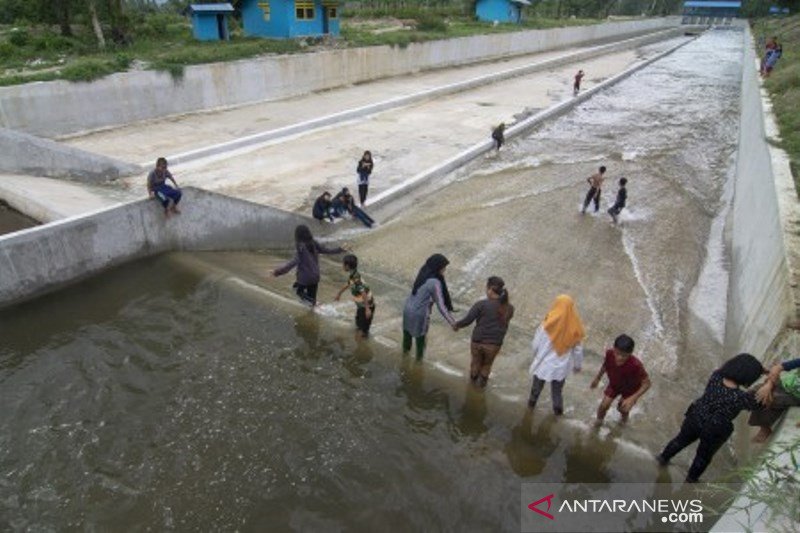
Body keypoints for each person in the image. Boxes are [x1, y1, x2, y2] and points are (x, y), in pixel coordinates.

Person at [656, 353, 765, 482]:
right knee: (703, 456)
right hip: (716, 428)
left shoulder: (716, 376)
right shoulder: (741, 397)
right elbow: (759, 404)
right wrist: (768, 381)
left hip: (696, 415)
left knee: (680, 440)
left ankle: (662, 458)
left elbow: (723, 370)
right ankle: (691, 479)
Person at [528, 295, 585, 415]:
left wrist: (534, 355)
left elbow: (536, 344)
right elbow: (578, 350)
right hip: (560, 368)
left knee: (536, 389)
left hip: (543, 364)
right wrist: (577, 366)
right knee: (557, 393)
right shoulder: (575, 328)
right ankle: (558, 415)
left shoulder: (547, 324)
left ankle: (530, 409)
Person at [454, 276, 515, 388]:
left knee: (475, 364)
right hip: (494, 344)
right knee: (487, 366)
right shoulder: (510, 308)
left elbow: (468, 320)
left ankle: (471, 387)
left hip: (478, 341)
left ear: (490, 289)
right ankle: (480, 389)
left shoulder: (481, 304)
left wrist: (456, 325)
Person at [272, 224, 347, 306]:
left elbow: (293, 262)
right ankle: (314, 307)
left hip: (305, 278)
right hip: (315, 276)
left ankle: (315, 304)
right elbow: (326, 250)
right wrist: (340, 249)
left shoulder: (300, 246)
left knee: (298, 291)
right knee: (311, 298)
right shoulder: (313, 243)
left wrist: (278, 272)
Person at [402, 253, 457, 360]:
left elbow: (422, 292)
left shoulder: (423, 272)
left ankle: (404, 360)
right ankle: (418, 365)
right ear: (438, 267)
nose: (444, 270)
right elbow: (441, 305)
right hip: (419, 314)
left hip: (407, 309)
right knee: (420, 341)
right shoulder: (435, 282)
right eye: (444, 267)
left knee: (407, 337)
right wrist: (452, 322)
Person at [590, 334, 650, 424]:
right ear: (614, 348)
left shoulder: (636, 365)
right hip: (615, 384)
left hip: (631, 390)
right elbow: (605, 365)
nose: (619, 358)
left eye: (624, 355)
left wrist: (632, 398)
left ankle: (623, 423)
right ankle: (598, 423)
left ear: (630, 353)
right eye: (617, 353)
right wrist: (597, 378)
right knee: (603, 405)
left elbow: (647, 384)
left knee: (622, 409)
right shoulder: (609, 354)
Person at [749, 356, 800, 442]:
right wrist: (769, 385)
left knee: (768, 397)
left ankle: (765, 428)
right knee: (755, 392)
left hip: (795, 396)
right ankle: (764, 426)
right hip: (787, 384)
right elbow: (777, 368)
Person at [335, 254, 375, 339]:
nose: (342, 266)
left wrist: (367, 309)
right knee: (358, 324)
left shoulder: (356, 278)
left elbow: (363, 292)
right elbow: (348, 284)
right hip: (362, 306)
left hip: (366, 306)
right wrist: (339, 293)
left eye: (343, 264)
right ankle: (362, 335)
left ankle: (362, 344)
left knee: (362, 331)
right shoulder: (353, 274)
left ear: (347, 266)